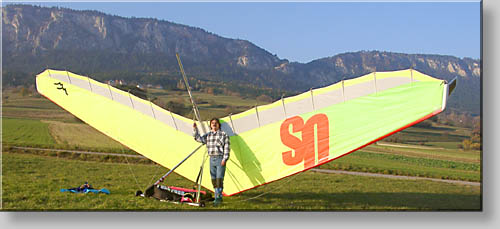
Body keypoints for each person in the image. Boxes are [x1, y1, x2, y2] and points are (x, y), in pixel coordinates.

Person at [193, 118, 230, 206]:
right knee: (214, 179)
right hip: (211, 159)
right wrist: (195, 129)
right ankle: (217, 195)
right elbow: (198, 138)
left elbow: (227, 148)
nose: (214, 124)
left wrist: (224, 159)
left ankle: (218, 198)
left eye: (216, 123)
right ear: (210, 125)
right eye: (212, 123)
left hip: (220, 158)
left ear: (219, 125)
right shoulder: (208, 135)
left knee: (219, 179)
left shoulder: (223, 135)